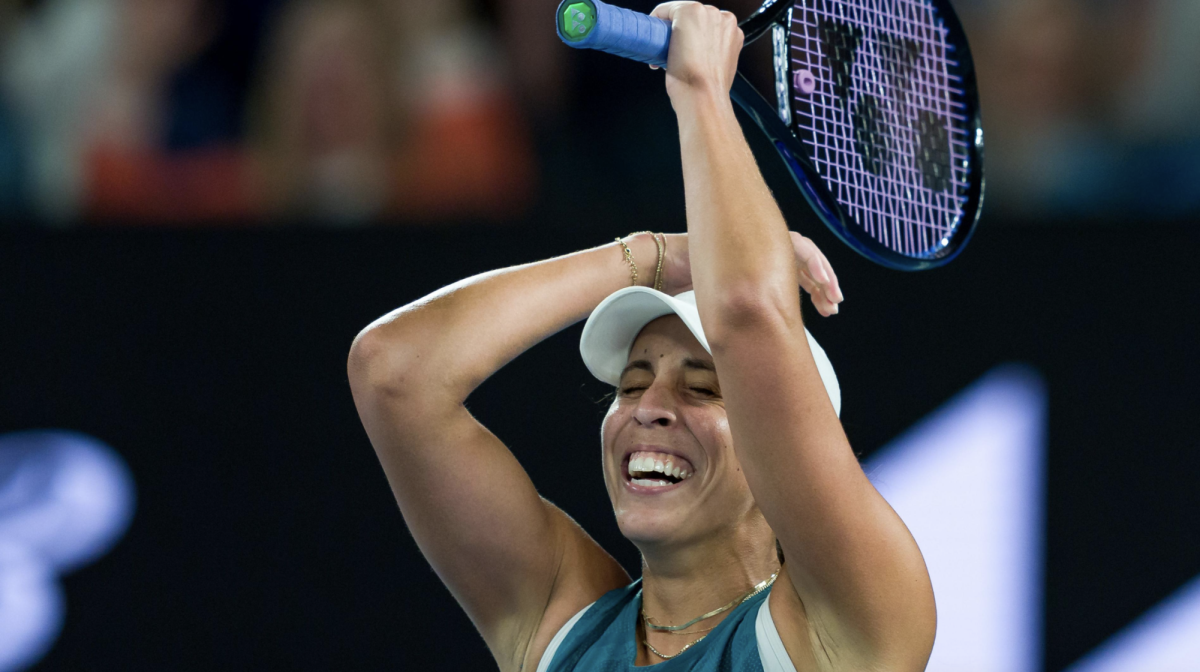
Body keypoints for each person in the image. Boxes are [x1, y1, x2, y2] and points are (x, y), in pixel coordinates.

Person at [347, 3, 935, 670]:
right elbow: (394, 370)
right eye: (630, 383)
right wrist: (656, 255)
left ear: (795, 445)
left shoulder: (854, 625)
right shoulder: (560, 622)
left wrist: (703, 92)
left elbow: (746, 314)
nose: (649, 408)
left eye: (704, 387)